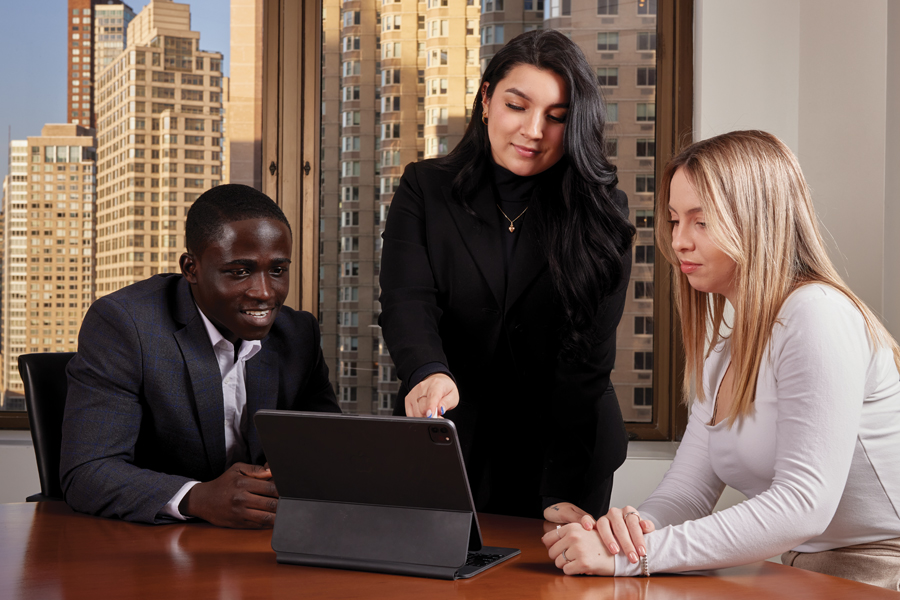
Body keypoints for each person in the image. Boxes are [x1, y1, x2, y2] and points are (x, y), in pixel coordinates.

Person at [543, 130, 900, 590]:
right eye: (674, 220)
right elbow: (687, 493)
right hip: (798, 570)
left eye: (701, 221)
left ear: (758, 220)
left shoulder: (817, 314)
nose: (679, 242)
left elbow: (804, 503)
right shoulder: (725, 350)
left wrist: (638, 557)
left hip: (880, 573)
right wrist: (618, 539)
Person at [379, 30, 634, 521]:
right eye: (518, 105)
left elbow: (587, 358)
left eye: (557, 117)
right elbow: (408, 300)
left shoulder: (602, 211)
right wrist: (427, 370)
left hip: (567, 445)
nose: (534, 130)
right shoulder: (424, 189)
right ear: (486, 99)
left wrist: (561, 489)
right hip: (447, 434)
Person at [60, 184, 340, 528]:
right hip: (148, 548)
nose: (264, 292)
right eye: (240, 271)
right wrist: (198, 497)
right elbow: (88, 471)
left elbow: (330, 452)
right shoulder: (125, 325)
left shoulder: (298, 335)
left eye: (278, 270)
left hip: (261, 543)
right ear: (191, 268)